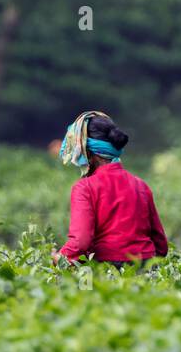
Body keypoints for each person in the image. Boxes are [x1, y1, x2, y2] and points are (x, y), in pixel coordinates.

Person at [56, 110, 168, 264]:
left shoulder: (84, 188)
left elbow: (80, 242)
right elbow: (161, 247)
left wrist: (58, 258)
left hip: (106, 270)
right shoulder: (140, 185)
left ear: (87, 151)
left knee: (79, 284)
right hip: (146, 269)